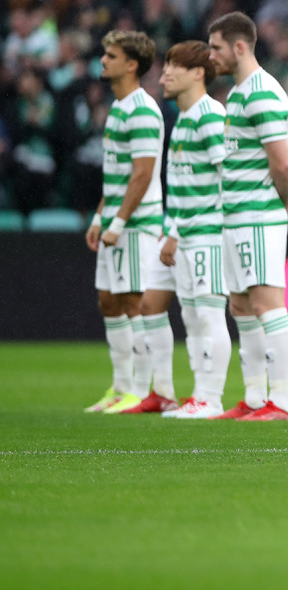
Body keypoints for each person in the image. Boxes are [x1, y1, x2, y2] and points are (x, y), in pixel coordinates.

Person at [207, 12, 288, 421]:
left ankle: (280, 401)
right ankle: (253, 398)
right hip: (234, 216)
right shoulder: (237, 94)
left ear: (238, 46)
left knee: (267, 304)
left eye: (216, 47)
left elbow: (282, 164)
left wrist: (284, 202)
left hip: (257, 216)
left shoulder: (263, 94)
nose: (211, 55)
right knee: (241, 306)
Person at [84, 30, 165, 414]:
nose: (103, 61)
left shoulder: (143, 110)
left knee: (135, 301)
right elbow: (116, 174)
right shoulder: (119, 108)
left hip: (137, 224)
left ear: (132, 64)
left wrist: (117, 221)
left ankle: (140, 388)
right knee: (109, 301)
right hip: (118, 218)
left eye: (111, 55)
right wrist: (101, 215)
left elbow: (142, 174)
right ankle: (120, 387)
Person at [151, 41, 230, 419]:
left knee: (208, 314)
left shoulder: (210, 116)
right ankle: (199, 394)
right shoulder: (184, 118)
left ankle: (210, 397)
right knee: (192, 316)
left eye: (172, 67)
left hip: (209, 235)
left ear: (198, 73)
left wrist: (178, 232)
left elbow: (224, 181)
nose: (164, 74)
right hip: (187, 234)